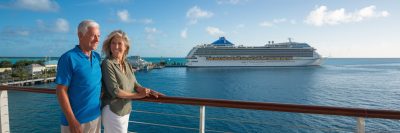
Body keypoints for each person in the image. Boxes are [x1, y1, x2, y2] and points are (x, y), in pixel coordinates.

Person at [101, 30, 164, 133]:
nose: (116, 46)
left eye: (119, 43)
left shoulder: (126, 64)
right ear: (109, 45)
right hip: (113, 111)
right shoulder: (108, 63)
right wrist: (139, 96)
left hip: (125, 111)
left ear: (125, 47)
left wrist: (149, 91)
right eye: (113, 43)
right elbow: (115, 91)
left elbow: (135, 84)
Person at [55, 20, 102, 133]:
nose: (97, 40)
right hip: (77, 122)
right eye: (93, 36)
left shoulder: (97, 57)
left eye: (98, 36)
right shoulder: (68, 58)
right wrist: (72, 121)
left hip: (96, 117)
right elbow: (61, 91)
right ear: (80, 35)